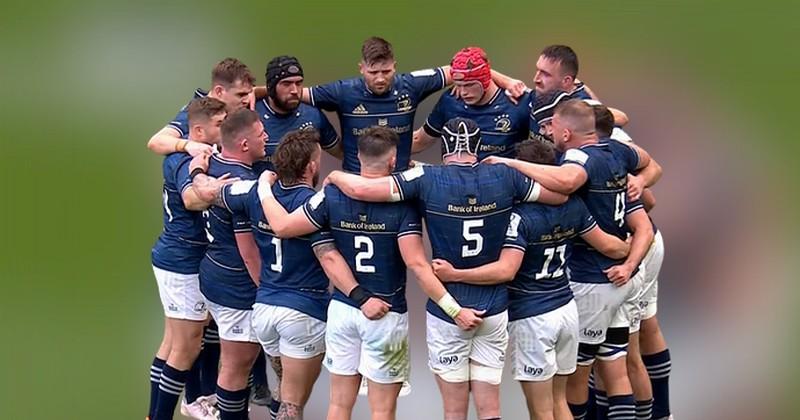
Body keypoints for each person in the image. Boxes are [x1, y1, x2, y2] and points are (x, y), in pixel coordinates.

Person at [325, 117, 567, 420]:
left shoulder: (426, 177)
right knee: (490, 408)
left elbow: (363, 190)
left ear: (444, 147)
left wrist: (335, 174)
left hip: (448, 311)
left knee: (454, 411)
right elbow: (559, 195)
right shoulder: (504, 175)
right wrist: (512, 166)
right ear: (478, 147)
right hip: (494, 307)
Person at [256, 126, 484, 420]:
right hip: (386, 315)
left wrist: (264, 186)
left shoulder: (331, 195)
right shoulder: (403, 206)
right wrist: (454, 310)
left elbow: (285, 228)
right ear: (393, 161)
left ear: (359, 157)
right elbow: (417, 266)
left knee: (339, 406)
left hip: (344, 309)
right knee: (382, 410)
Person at [432, 139, 631, 420]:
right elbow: (610, 246)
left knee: (541, 410)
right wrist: (628, 250)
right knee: (559, 401)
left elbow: (506, 271)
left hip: (533, 318)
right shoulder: (574, 205)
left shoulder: (518, 217)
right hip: (566, 310)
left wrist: (455, 274)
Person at [482, 100, 654, 420]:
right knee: (615, 366)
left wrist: (510, 165)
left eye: (553, 127)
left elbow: (567, 182)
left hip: (590, 284)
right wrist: (630, 259)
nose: (549, 133)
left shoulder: (576, 166)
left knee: (574, 384)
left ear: (566, 133)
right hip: (620, 277)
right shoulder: (617, 153)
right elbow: (649, 178)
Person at [288, 36, 527, 172]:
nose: (380, 78)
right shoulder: (343, 91)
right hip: (357, 182)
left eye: (386, 71)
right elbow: (293, 93)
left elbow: (463, 68)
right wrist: (258, 94)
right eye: (373, 72)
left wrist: (507, 81)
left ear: (395, 66)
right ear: (361, 68)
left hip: (400, 185)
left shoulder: (411, 85)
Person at [147, 97, 229, 420]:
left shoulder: (198, 151)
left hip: (179, 257)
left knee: (173, 342)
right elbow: (191, 200)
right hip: (182, 260)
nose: (225, 128)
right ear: (198, 130)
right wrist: (220, 190)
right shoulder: (184, 160)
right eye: (220, 124)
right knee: (187, 346)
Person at [591, 103, 670, 420]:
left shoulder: (600, 155)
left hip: (629, 255)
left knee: (618, 356)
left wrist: (621, 249)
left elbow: (649, 196)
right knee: (621, 351)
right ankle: (660, 413)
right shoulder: (608, 144)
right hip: (636, 249)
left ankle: (658, 413)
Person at [188, 108, 267, 419]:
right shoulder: (240, 182)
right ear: (244, 144)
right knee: (237, 364)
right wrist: (265, 289)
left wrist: (196, 170)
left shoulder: (213, 165)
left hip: (213, 272)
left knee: (233, 361)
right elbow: (248, 251)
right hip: (236, 284)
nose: (266, 138)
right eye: (261, 134)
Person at [411, 47, 532, 160]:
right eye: (459, 85)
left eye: (469, 85)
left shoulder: (517, 103)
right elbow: (420, 141)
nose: (463, 92)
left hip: (502, 175)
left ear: (485, 80)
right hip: (457, 175)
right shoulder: (450, 101)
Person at [253, 55, 343, 175]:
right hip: (262, 186)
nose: (294, 91)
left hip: (301, 187)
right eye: (286, 84)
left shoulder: (313, 115)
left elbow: (341, 153)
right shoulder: (251, 115)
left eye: (299, 83)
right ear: (271, 87)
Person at [148, 58, 256, 157]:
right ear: (219, 91)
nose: (246, 100)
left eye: (248, 93)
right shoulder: (197, 112)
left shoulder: (238, 101)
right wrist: (187, 145)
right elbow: (156, 142)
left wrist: (257, 92)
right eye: (241, 95)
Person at [532, 45, 628, 128]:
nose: (536, 79)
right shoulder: (539, 93)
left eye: (546, 74)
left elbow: (622, 118)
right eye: (537, 70)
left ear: (566, 81)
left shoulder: (581, 105)